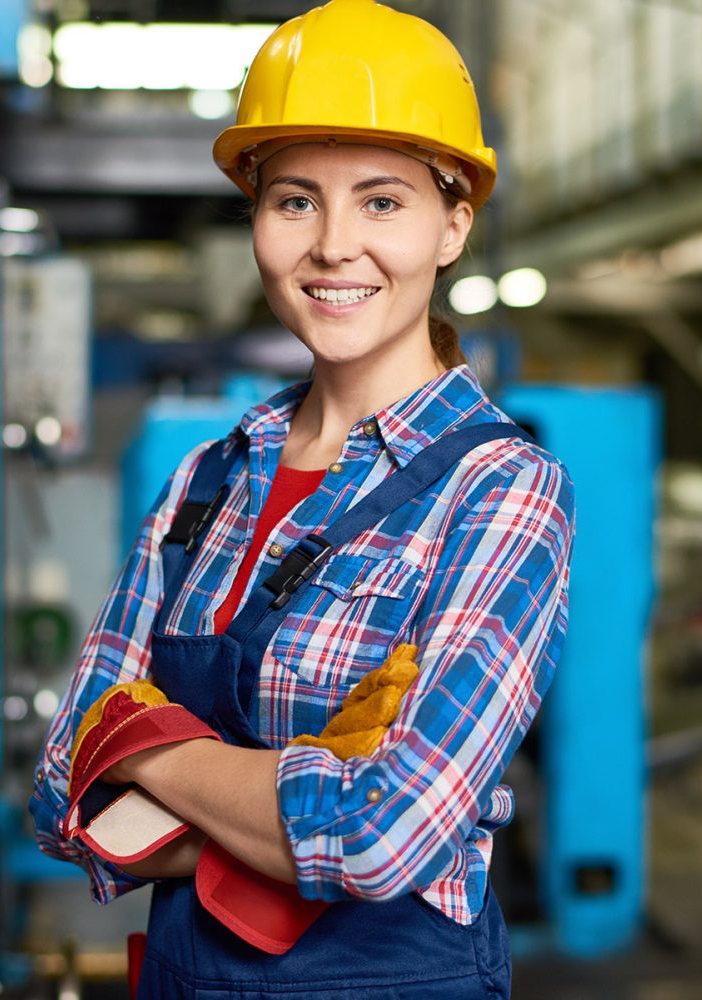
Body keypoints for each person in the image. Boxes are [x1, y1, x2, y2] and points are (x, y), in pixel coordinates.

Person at [30, 1, 575, 997]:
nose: (331, 245)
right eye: (293, 201)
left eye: (380, 201)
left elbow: (383, 836)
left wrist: (149, 744)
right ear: (255, 219)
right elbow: (62, 785)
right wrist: (291, 798)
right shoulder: (206, 478)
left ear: (451, 224)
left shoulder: (500, 492)